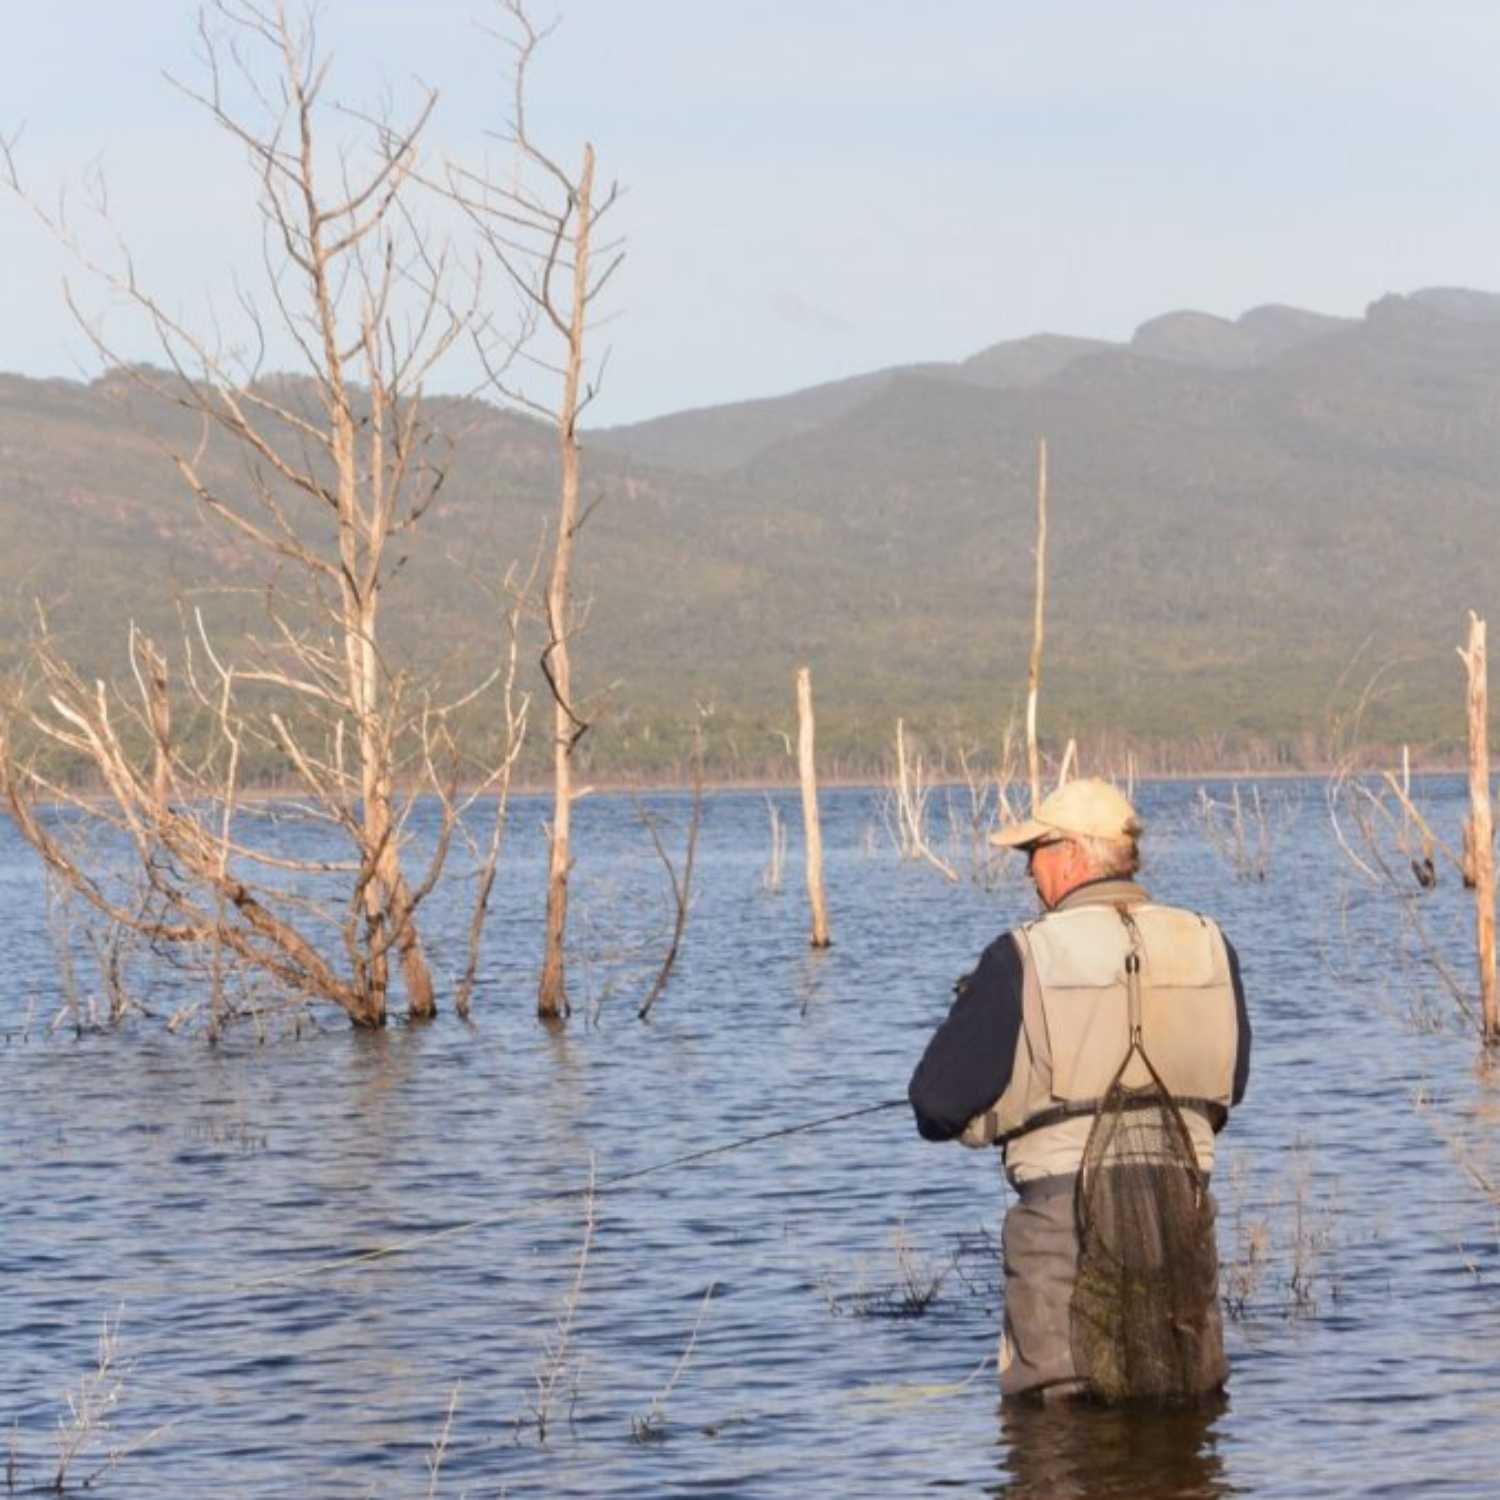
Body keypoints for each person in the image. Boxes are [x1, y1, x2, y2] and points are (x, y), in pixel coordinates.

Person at [908, 778, 1250, 1402]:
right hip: (1181, 1207)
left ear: (1068, 854)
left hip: (1061, 1219)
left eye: (1032, 853)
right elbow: (1231, 1088)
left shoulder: (1023, 955)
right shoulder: (1209, 941)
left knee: (1057, 1422)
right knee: (1185, 1408)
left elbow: (935, 1103)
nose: (1029, 872)